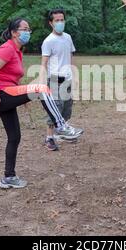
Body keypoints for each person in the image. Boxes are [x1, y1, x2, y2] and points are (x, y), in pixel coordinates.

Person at [0, 18, 83, 189]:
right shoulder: (7, 48)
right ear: (14, 32)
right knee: (41, 87)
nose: (28, 32)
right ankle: (61, 126)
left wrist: (22, 97)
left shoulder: (17, 51)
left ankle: (8, 177)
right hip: (0, 95)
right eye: (24, 29)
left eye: (29, 29)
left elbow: (9, 77)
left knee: (14, 137)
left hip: (7, 95)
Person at [40, 8, 83, 151]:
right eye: (57, 20)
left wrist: (74, 75)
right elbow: (44, 63)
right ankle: (49, 138)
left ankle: (62, 133)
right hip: (55, 80)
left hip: (68, 79)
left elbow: (70, 57)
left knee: (66, 110)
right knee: (55, 111)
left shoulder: (68, 37)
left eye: (62, 20)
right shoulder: (48, 41)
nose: (60, 22)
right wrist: (42, 82)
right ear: (51, 23)